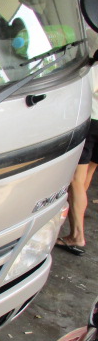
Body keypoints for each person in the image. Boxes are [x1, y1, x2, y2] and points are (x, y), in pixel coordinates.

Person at [56, 57, 98, 256]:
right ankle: (73, 219)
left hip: (92, 122)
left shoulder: (94, 67)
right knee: (86, 176)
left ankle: (77, 235)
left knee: (75, 179)